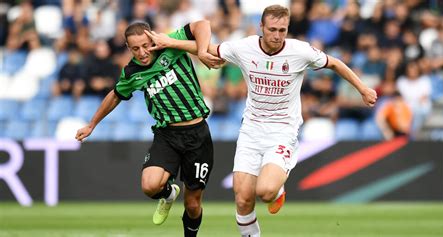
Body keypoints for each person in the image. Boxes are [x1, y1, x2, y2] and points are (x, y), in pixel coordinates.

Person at [146, 5, 377, 236]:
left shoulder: (300, 51)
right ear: (262, 27)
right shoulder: (245, 47)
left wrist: (363, 89)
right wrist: (171, 42)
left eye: (282, 30)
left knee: (265, 191)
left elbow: (334, 63)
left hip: (283, 130)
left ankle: (277, 190)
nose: (277, 36)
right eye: (273, 29)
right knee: (242, 198)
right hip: (251, 130)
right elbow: (208, 48)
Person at [75, 20, 223, 237]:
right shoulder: (132, 72)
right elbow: (115, 95)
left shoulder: (170, 43)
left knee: (192, 204)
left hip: (197, 134)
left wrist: (200, 51)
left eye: (146, 45)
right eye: (135, 48)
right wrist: (92, 124)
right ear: (128, 48)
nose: (142, 52)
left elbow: (202, 25)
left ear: (152, 37)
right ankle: (169, 193)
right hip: (167, 134)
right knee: (149, 186)